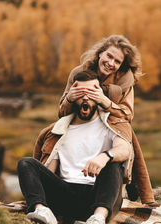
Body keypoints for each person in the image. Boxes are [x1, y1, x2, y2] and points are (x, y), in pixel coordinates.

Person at [17, 70, 141, 224]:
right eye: (81, 93)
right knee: (25, 163)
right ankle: (43, 212)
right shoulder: (60, 129)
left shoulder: (113, 124)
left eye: (90, 93)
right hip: (65, 196)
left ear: (98, 95)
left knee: (114, 163)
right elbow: (48, 171)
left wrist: (105, 156)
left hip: (98, 197)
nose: (85, 98)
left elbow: (124, 149)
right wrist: (40, 189)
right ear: (73, 96)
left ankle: (97, 222)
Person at [58, 35, 155, 204]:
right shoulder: (78, 72)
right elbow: (61, 112)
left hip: (111, 122)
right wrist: (70, 98)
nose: (111, 63)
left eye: (117, 61)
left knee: (127, 134)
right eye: (109, 56)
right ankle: (48, 184)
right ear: (100, 54)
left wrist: (105, 102)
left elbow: (127, 114)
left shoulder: (125, 80)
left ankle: (139, 192)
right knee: (51, 135)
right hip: (81, 119)